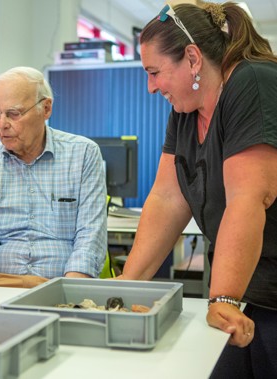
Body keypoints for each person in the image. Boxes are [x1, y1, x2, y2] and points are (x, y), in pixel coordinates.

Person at [117, 2, 277, 378]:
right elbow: (167, 199)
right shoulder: (185, 112)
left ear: (192, 58)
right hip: (244, 294)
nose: (151, 87)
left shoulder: (254, 82)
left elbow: (249, 198)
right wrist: (127, 285)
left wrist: (223, 297)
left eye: (155, 72)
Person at [0, 66, 107, 287]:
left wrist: (68, 296)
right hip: (2, 288)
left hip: (61, 285)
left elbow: (89, 241)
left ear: (46, 108)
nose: (2, 124)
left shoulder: (83, 155)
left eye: (14, 114)